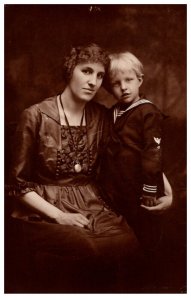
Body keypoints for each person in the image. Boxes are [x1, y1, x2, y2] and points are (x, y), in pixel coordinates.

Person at [7, 44, 143, 293]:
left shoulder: (101, 117)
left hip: (91, 203)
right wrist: (59, 216)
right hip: (44, 207)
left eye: (100, 75)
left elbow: (135, 152)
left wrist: (167, 191)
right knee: (87, 246)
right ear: (70, 71)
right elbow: (17, 185)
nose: (93, 81)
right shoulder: (35, 116)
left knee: (128, 243)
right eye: (87, 71)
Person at [99, 51, 173, 251]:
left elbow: (153, 151)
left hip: (140, 188)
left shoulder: (148, 112)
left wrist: (150, 188)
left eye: (129, 80)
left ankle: (148, 272)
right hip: (116, 187)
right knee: (121, 237)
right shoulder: (112, 112)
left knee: (145, 233)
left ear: (139, 80)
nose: (123, 87)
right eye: (116, 83)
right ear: (108, 88)